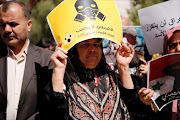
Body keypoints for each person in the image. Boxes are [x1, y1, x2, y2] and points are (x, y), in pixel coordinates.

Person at [41, 37, 139, 119]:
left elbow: (132, 105)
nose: (92, 49)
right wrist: (58, 70)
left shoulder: (113, 77)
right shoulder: (64, 81)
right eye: (85, 44)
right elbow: (55, 113)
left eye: (96, 44)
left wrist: (123, 67)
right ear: (74, 49)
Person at [0, 1, 53, 120]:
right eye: (2, 24)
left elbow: (53, 108)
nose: (7, 29)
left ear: (29, 25)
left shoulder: (47, 60)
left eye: (13, 24)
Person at [138, 26, 180, 120]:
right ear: (167, 49)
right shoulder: (156, 77)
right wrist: (145, 101)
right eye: (173, 45)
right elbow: (145, 113)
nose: (178, 49)